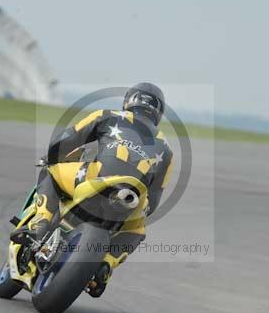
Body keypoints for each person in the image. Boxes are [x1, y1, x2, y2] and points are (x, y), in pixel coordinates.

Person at [11, 82, 174, 297]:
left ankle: (41, 224)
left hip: (96, 177)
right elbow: (154, 200)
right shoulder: (167, 149)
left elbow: (68, 140)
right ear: (158, 112)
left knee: (53, 172)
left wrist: (50, 157)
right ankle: (106, 264)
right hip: (133, 197)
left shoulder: (107, 115)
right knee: (137, 230)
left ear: (128, 101)